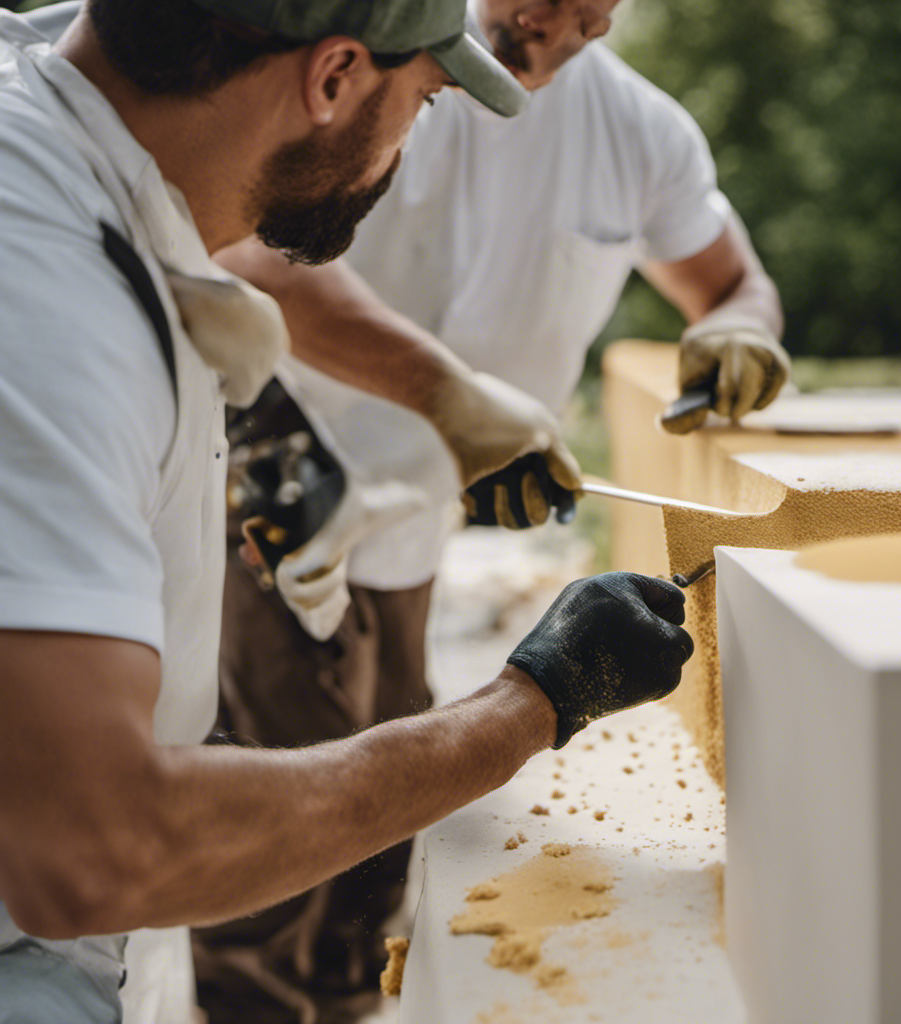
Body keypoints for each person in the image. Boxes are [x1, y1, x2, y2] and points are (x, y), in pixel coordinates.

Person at [0, 1, 683, 1021]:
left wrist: (258, 444)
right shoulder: (52, 299)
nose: (410, 139)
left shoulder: (61, 132)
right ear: (333, 79)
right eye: (422, 99)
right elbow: (95, 849)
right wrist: (529, 704)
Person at [197, 0, 786, 1016]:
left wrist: (739, 330)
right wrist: (447, 397)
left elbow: (735, 282)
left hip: (417, 521)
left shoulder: (639, 134)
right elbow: (237, 245)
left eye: (588, 23)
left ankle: (344, 999)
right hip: (280, 477)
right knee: (279, 818)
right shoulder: (367, 66)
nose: (552, 40)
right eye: (534, 9)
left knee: (378, 820)